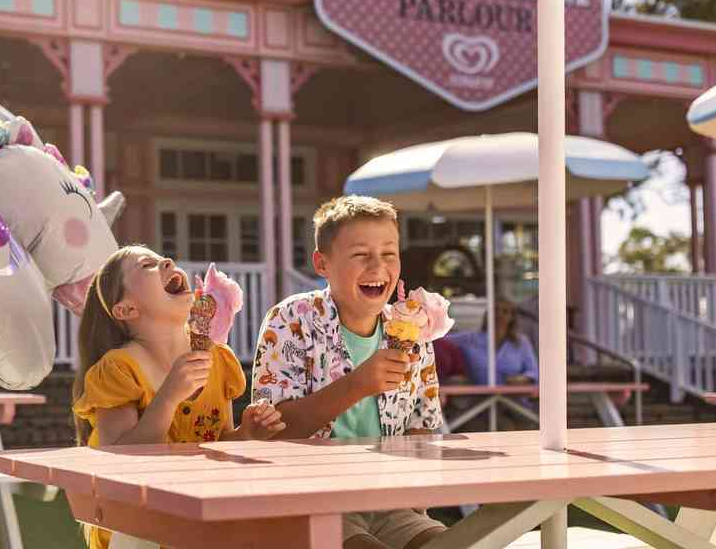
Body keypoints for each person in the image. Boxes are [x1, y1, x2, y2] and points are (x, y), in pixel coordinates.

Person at [253, 196, 447, 549]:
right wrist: (357, 384)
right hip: (310, 498)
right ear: (322, 264)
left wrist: (415, 497)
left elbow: (424, 423)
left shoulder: (411, 328)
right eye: (361, 255)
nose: (378, 266)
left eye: (389, 253)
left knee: (456, 543)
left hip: (389, 499)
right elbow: (270, 432)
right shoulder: (290, 320)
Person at [73, 245, 287, 549]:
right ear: (127, 309)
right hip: (135, 521)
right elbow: (119, 461)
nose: (167, 261)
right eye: (149, 265)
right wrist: (168, 397)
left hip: (199, 511)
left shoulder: (218, 360)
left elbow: (219, 444)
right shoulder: (118, 369)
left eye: (164, 259)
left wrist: (247, 434)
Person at [445, 301, 539, 386]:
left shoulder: (522, 342)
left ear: (512, 317)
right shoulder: (470, 339)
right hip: (478, 400)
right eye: (495, 310)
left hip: (516, 400)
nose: (499, 315)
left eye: (505, 311)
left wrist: (523, 379)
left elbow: (533, 372)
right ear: (487, 314)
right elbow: (440, 340)